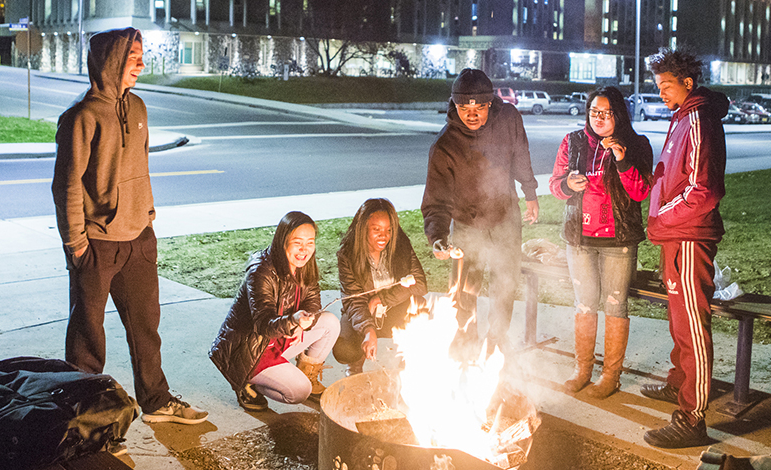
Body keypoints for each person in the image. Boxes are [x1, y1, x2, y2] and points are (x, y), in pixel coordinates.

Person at [52, 28, 207, 425]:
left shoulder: (138, 109)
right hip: (97, 244)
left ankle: (155, 401)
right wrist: (77, 246)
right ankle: (83, 418)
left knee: (145, 328)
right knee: (88, 339)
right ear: (111, 62)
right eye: (133, 56)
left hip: (138, 238)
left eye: (141, 56)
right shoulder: (81, 117)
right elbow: (66, 185)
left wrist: (148, 217)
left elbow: (140, 169)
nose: (140, 63)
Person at [638, 48, 729, 449]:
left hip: (689, 236)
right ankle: (679, 385)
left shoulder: (697, 118)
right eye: (657, 86)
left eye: (665, 85)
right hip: (676, 235)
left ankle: (692, 418)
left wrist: (661, 219)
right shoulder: (681, 117)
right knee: (680, 322)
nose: (660, 92)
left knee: (692, 326)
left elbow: (703, 190)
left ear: (687, 84)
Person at [422, 68, 539, 357]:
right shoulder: (444, 146)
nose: (471, 114)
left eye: (479, 107)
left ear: (490, 103)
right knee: (464, 287)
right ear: (454, 104)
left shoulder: (509, 118)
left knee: (505, 282)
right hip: (466, 223)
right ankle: (465, 342)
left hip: (505, 216)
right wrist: (437, 236)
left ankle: (496, 341)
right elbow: (435, 200)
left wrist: (530, 192)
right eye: (464, 107)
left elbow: (521, 154)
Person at [548, 86, 653, 400]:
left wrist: (622, 161)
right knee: (584, 303)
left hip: (618, 240)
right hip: (580, 238)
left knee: (615, 306)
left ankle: (611, 375)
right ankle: (583, 370)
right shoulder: (573, 141)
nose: (599, 118)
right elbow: (554, 185)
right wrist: (567, 183)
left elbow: (641, 192)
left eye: (606, 113)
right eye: (594, 111)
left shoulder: (636, 144)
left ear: (618, 114)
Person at [210, 211, 341, 411]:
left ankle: (308, 374)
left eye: (310, 242)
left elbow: (313, 303)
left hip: (282, 337)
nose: (304, 250)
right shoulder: (261, 270)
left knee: (330, 322)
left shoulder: (305, 265)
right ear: (283, 241)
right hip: (252, 350)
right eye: (297, 242)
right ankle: (249, 383)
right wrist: (293, 321)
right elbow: (263, 324)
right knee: (298, 392)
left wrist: (304, 322)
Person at [332, 198, 429, 375]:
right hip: (364, 311)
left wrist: (381, 298)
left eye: (388, 230)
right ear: (363, 229)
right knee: (345, 349)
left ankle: (410, 365)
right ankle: (355, 366)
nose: (384, 236)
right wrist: (368, 330)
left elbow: (420, 283)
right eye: (376, 229)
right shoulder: (348, 255)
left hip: (393, 310)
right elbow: (353, 301)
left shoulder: (401, 246)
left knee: (420, 307)